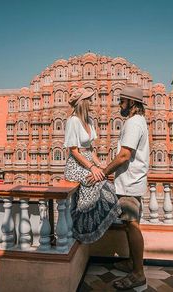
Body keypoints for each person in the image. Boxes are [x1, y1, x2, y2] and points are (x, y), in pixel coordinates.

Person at [87, 85, 149, 290]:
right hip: (131, 182)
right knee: (128, 224)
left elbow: (124, 155)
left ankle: (138, 273)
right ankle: (133, 263)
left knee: (132, 226)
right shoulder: (139, 122)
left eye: (122, 101)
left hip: (130, 184)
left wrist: (103, 172)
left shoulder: (133, 123)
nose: (119, 104)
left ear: (132, 102)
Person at [63, 87, 121, 244]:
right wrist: (92, 168)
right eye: (89, 99)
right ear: (82, 102)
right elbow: (74, 151)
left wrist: (99, 164)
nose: (91, 102)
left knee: (105, 182)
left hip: (88, 161)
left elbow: (89, 149)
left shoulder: (89, 121)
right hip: (76, 165)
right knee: (96, 182)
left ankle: (95, 224)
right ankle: (81, 228)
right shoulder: (73, 121)